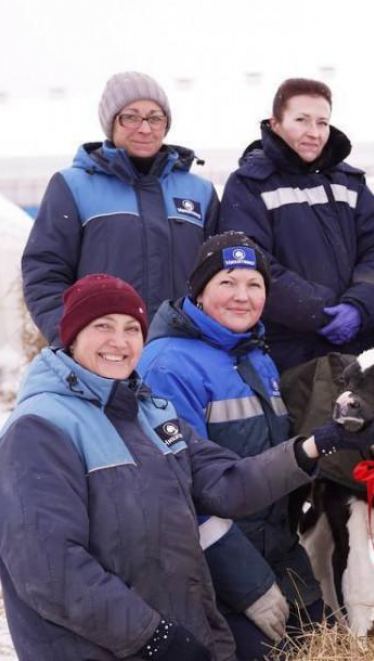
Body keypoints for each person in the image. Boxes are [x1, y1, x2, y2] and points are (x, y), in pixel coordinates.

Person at [0, 274, 374, 661]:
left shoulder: (146, 412)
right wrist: (152, 636)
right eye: (102, 326)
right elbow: (52, 573)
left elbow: (229, 482)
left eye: (132, 328)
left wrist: (316, 445)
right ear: (72, 336)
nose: (119, 342)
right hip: (100, 647)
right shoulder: (39, 431)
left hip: (174, 631)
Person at [137, 233, 332, 660]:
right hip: (209, 571)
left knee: (328, 641)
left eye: (254, 284)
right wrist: (251, 588)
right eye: (227, 282)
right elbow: (180, 494)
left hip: (275, 550)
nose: (242, 297)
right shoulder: (168, 365)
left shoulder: (255, 355)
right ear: (200, 290)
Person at [218, 77, 374, 374]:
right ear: (275, 123)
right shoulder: (249, 184)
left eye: (322, 122)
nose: (314, 133)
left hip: (358, 350)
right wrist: (320, 311)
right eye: (301, 120)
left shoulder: (349, 183)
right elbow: (252, 263)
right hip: (286, 356)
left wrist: (358, 305)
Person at [22, 71, 218, 345]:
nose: (145, 128)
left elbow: (220, 277)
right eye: (131, 116)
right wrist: (73, 338)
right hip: (105, 355)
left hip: (183, 355)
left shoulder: (199, 192)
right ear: (110, 124)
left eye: (155, 117)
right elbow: (45, 272)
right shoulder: (73, 186)